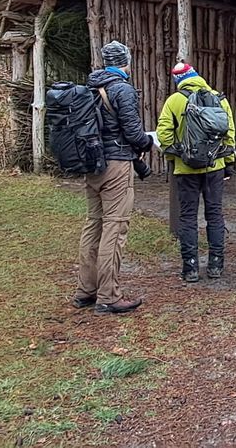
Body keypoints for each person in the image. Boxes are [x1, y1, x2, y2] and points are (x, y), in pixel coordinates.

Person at [72, 41, 152, 315]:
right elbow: (133, 132)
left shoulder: (90, 88)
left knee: (92, 225)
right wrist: (147, 143)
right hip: (116, 166)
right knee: (114, 228)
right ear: (126, 62)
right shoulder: (122, 89)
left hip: (92, 165)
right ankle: (108, 296)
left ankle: (86, 290)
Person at [157, 62, 236, 283]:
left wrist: (176, 155)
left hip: (186, 169)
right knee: (215, 215)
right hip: (215, 167)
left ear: (178, 81)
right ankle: (216, 265)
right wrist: (228, 162)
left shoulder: (174, 100)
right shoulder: (219, 99)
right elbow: (229, 134)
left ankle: (190, 268)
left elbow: (163, 133)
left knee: (188, 217)